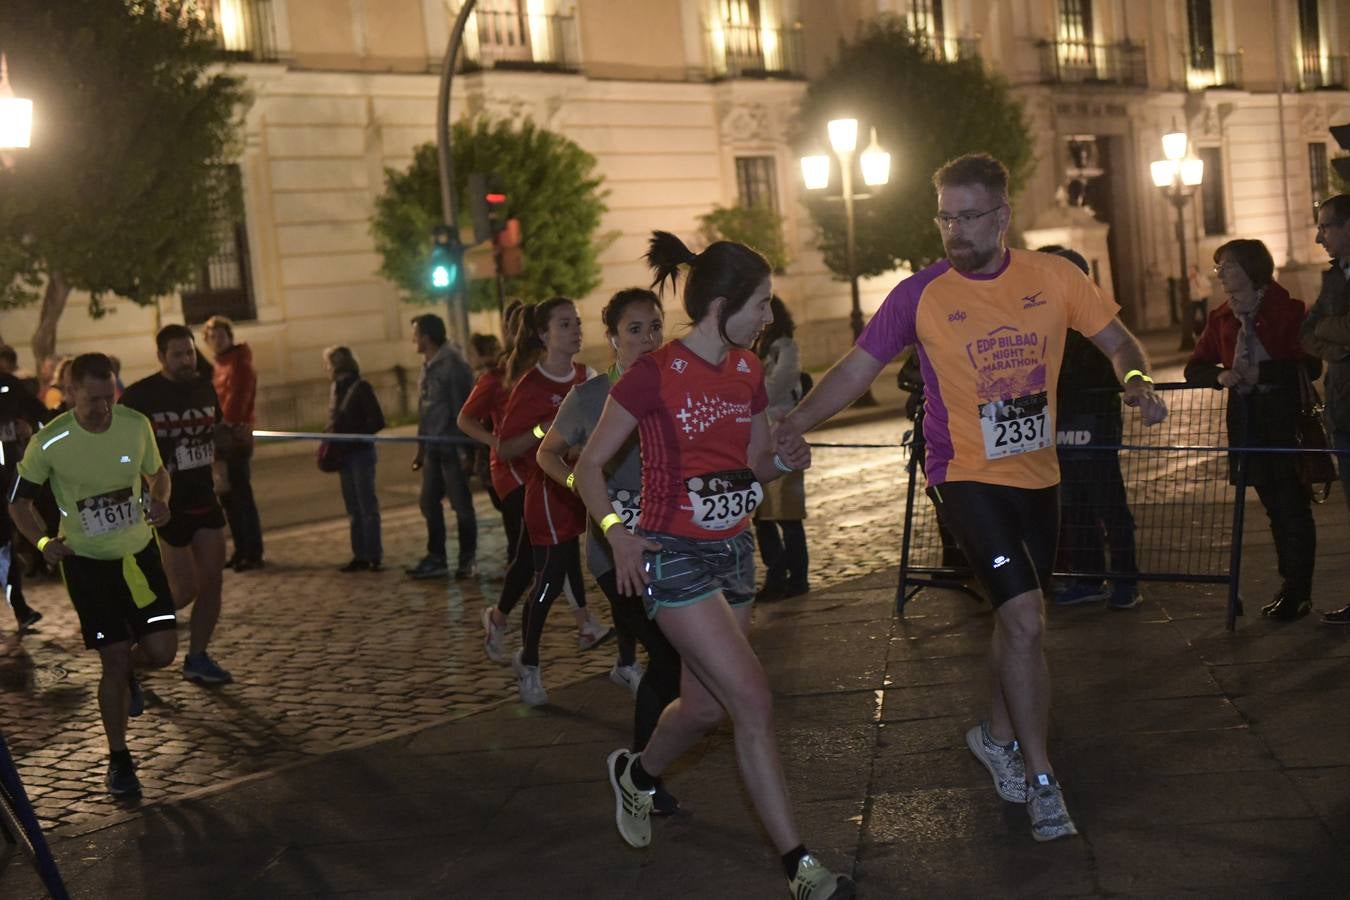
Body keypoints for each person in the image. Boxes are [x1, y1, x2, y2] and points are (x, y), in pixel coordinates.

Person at [776, 154, 1167, 843]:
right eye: (944, 216)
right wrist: (794, 423)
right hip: (962, 476)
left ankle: (993, 732)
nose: (953, 229)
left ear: (1002, 216)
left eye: (966, 216)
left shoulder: (1053, 279)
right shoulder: (918, 295)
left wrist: (1135, 377)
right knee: (1024, 621)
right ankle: (1041, 779)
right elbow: (856, 369)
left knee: (1020, 623)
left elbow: (1116, 339)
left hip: (1038, 479)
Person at [575, 233, 852, 900]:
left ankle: (636, 778)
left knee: (701, 708)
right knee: (752, 698)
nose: (767, 317)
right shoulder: (653, 374)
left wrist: (786, 457)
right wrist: (620, 536)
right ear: (723, 303)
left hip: (734, 551)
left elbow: (754, 463)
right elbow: (586, 466)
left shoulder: (748, 371)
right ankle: (800, 866)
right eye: (760, 304)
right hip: (670, 556)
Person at [537, 288, 682, 812]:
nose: (648, 338)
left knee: (676, 659)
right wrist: (584, 488)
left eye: (655, 327)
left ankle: (645, 769)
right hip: (613, 548)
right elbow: (547, 452)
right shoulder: (592, 397)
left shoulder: (673, 385)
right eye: (635, 329)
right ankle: (644, 776)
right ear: (613, 338)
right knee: (665, 653)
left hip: (670, 544)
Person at [9, 353, 177, 797]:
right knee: (114, 659)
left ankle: (130, 677)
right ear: (72, 393)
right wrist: (45, 544)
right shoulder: (50, 441)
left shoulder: (134, 424)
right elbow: (18, 504)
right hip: (87, 564)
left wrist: (160, 499)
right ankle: (120, 761)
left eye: (109, 397)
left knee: (162, 652)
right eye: (94, 400)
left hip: (139, 557)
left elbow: (158, 474)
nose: (104, 408)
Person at [469, 302, 609, 667]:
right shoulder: (516, 380)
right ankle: (531, 656)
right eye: (565, 324)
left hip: (573, 483)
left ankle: (607, 645)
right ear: (541, 334)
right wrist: (547, 431)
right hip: (530, 483)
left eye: (578, 322)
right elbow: (507, 443)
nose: (577, 329)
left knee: (544, 559)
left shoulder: (587, 376)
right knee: (550, 566)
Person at [1188, 239, 1320, 621]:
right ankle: (1288, 586)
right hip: (1248, 419)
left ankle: (1299, 590)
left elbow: (1310, 367)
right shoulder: (1221, 317)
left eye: (1226, 267)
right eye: (1219, 268)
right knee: (1274, 507)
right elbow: (1194, 367)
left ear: (1249, 268)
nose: (1221, 275)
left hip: (1285, 417)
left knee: (1293, 505)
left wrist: (1265, 373)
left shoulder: (1288, 310)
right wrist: (1220, 375)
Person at [120, 325, 233, 684]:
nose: (186, 360)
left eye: (189, 352)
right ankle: (139, 639)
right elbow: (122, 450)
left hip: (203, 496)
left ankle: (197, 657)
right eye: (178, 355)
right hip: (166, 503)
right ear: (161, 357)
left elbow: (213, 431)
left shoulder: (203, 386)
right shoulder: (141, 396)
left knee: (213, 581)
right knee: (184, 589)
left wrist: (223, 463)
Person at [1040, 246, 1141, 610]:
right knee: (1074, 503)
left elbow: (1113, 359)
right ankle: (1088, 576)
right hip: (1060, 421)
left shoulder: (1093, 318)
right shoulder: (1046, 318)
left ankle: (1126, 579)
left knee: (1107, 501)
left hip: (1093, 420)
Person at [1302, 194, 1350, 625]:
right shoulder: (1336, 277)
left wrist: (1332, 333)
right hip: (1344, 408)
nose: (1319, 237)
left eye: (1326, 226)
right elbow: (1307, 331)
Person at [406, 314, 478, 581]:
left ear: (427, 336)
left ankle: (467, 559)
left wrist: (466, 452)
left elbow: (464, 408)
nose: (413, 339)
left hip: (451, 447)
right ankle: (436, 557)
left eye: (416, 333)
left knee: (461, 505)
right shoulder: (428, 365)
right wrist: (421, 449)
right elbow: (425, 411)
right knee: (428, 502)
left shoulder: (453, 365)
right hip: (433, 447)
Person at [753, 295, 809, 602]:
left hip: (782, 435)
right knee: (762, 517)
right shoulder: (756, 347)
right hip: (760, 438)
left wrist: (751, 395)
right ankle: (776, 574)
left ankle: (797, 577)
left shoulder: (785, 346)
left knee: (787, 515)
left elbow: (778, 384)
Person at [203, 315, 265, 571]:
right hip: (220, 439)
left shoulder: (240, 363)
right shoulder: (218, 364)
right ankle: (241, 549)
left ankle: (252, 551)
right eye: (211, 337)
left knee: (241, 496)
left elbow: (238, 398)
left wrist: (225, 425)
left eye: (220, 336)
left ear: (229, 336)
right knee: (228, 498)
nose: (216, 341)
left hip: (235, 439)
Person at [322, 346, 385, 571]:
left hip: (360, 453)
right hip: (345, 454)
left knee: (366, 506)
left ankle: (372, 554)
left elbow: (377, 420)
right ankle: (361, 554)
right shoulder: (336, 388)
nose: (327, 368)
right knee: (354, 507)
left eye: (329, 363)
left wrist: (354, 435)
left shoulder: (360, 387)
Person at [0, 353, 49, 631]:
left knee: (5, 544)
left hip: (10, 478)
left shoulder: (8, 385)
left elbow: (42, 417)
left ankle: (19, 608)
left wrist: (29, 429)